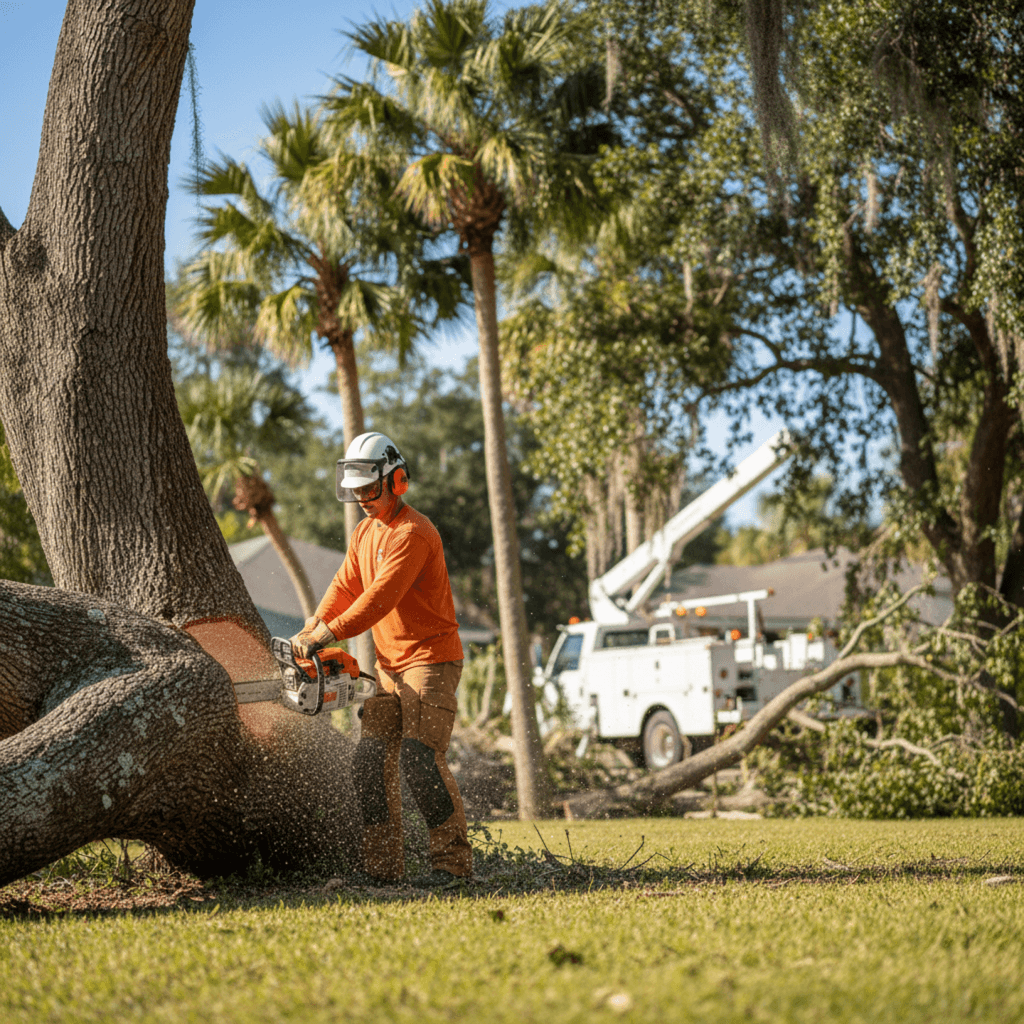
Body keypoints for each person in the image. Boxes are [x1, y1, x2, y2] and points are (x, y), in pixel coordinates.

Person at [290, 431, 471, 884]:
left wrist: (329, 633)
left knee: (419, 757)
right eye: (356, 492)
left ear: (397, 481)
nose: (363, 499)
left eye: (371, 490)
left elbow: (379, 597)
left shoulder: (415, 532)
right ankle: (382, 870)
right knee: (369, 762)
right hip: (390, 668)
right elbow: (346, 586)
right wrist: (314, 625)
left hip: (430, 659)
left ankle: (452, 867)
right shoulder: (364, 532)